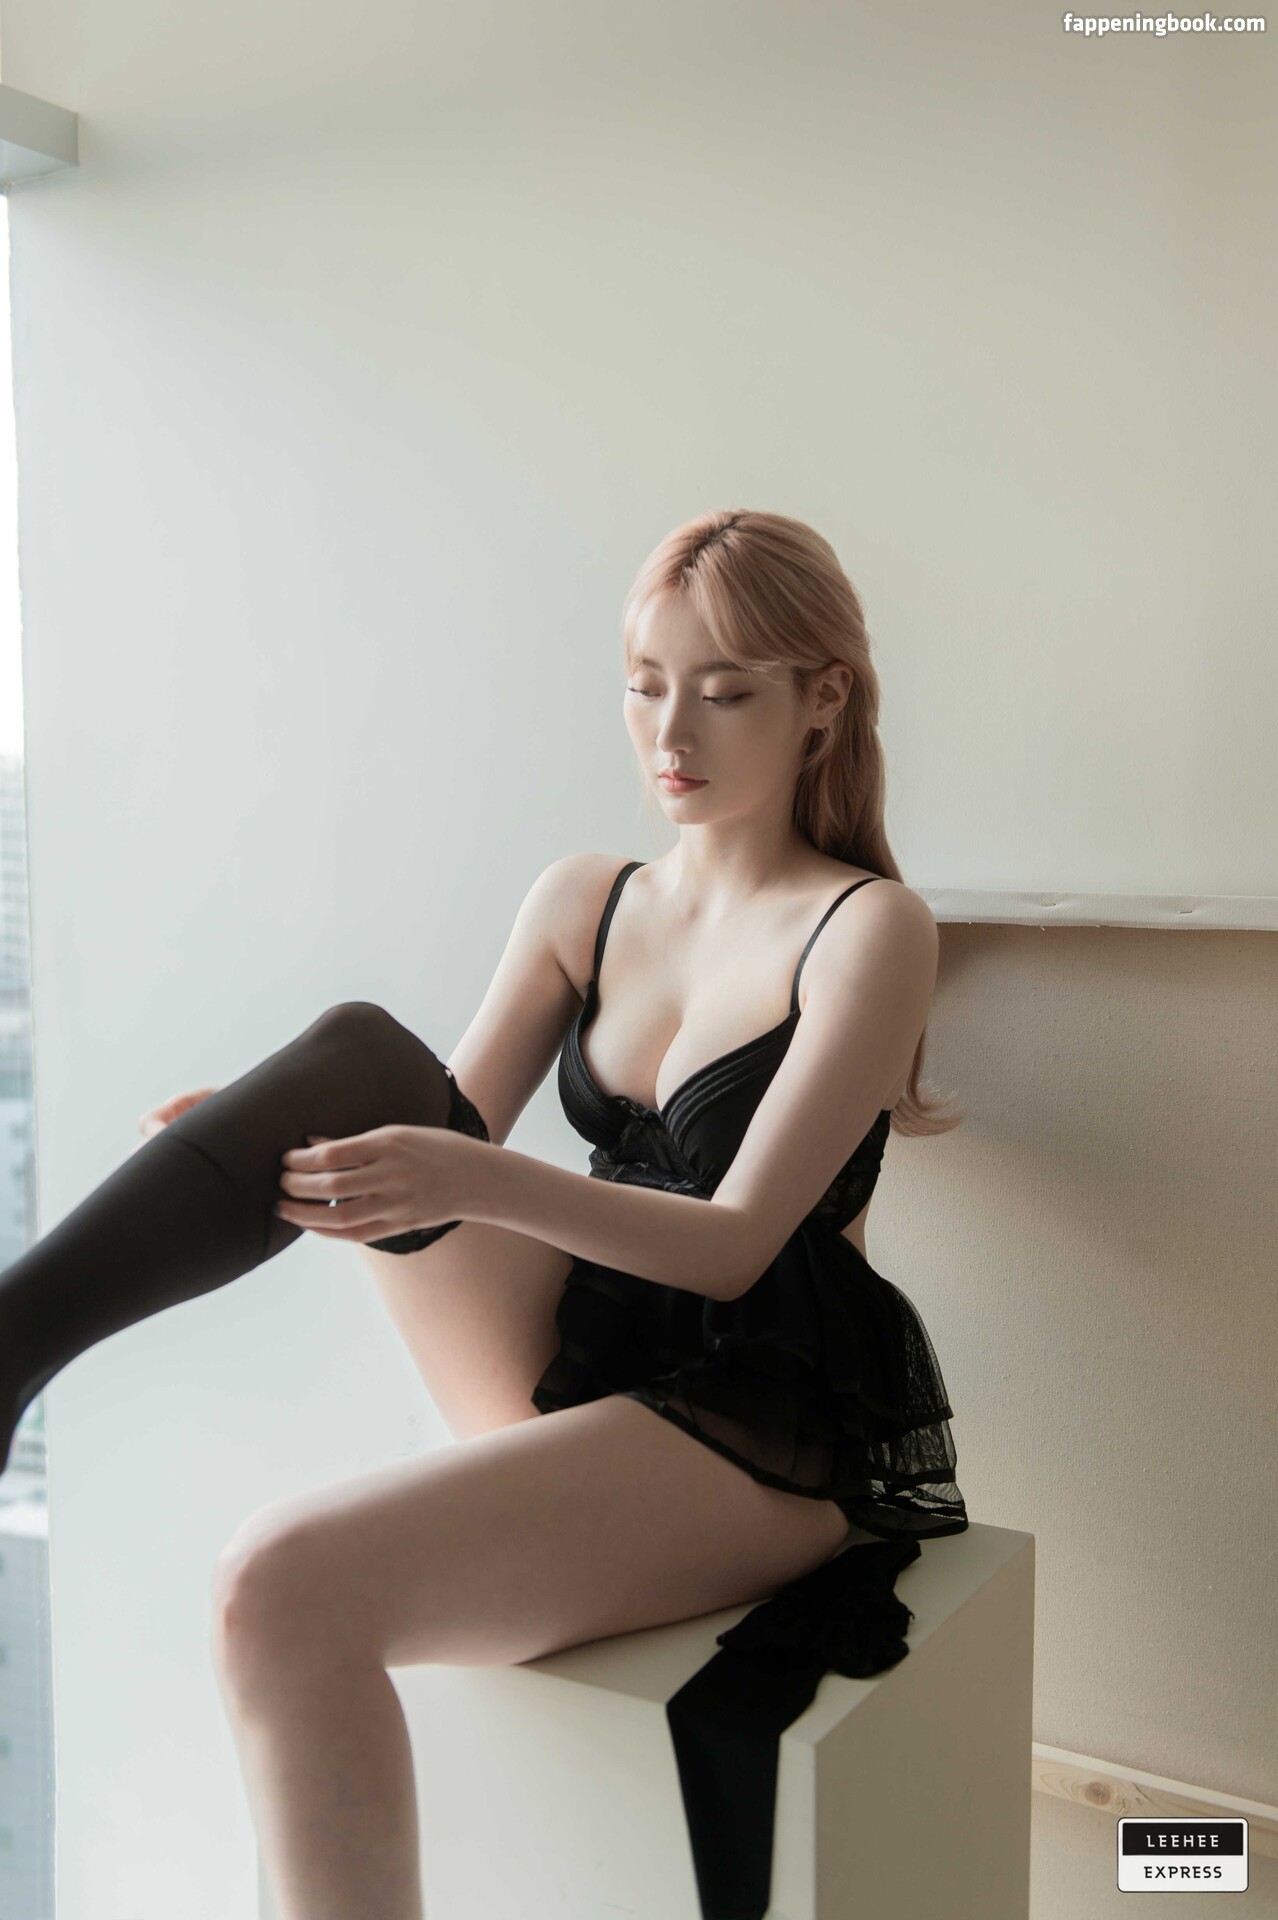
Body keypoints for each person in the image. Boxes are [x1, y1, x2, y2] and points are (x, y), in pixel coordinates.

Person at [0, 508, 968, 1920]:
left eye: (725, 691)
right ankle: (13, 1341)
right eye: (644, 683)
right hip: (576, 1342)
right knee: (357, 1058)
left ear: (822, 700)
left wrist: (465, 1176)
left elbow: (738, 1241)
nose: (670, 732)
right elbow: (443, 1129)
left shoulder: (868, 929)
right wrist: (264, 1133)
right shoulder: (585, 900)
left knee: (277, 1581)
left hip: (764, 1412)